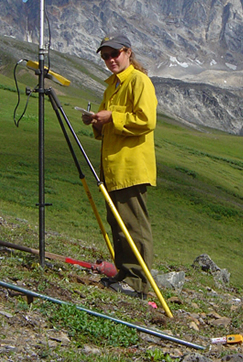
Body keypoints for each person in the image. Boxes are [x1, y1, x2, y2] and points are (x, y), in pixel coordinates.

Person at [82, 34, 157, 299]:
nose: (111, 60)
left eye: (115, 54)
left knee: (133, 225)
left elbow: (146, 120)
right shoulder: (112, 85)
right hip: (113, 165)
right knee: (118, 223)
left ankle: (138, 283)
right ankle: (124, 275)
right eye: (105, 56)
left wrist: (111, 116)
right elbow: (110, 125)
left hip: (130, 166)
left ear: (128, 52)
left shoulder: (139, 81)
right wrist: (97, 122)